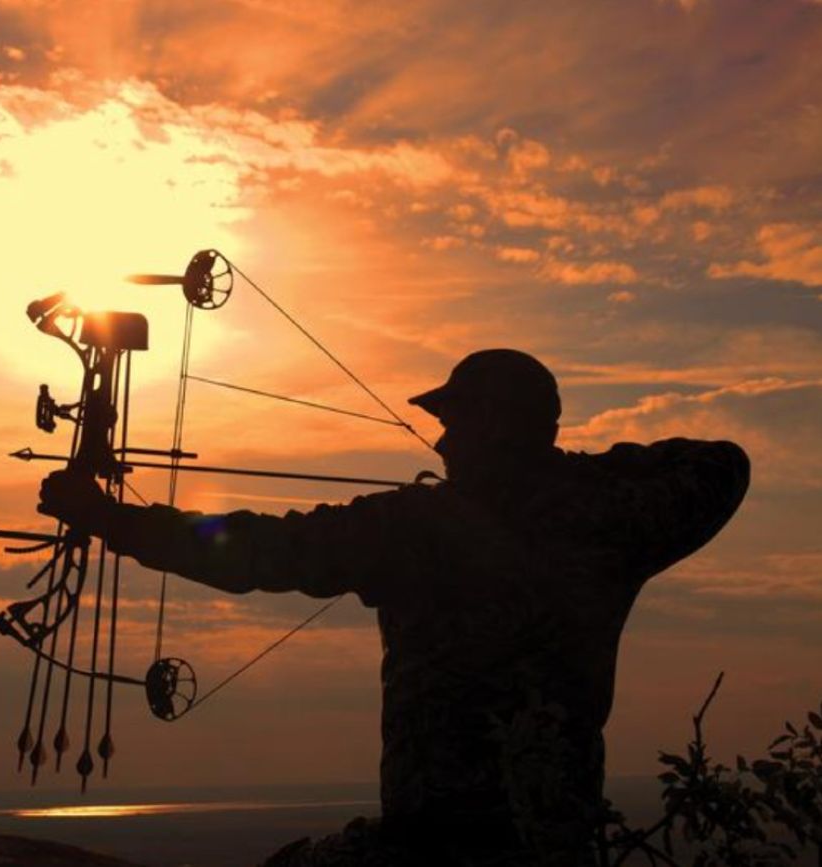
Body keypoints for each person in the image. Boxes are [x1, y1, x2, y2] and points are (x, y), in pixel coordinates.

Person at [38, 349, 751, 866]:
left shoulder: (413, 530)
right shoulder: (608, 518)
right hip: (554, 840)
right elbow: (722, 463)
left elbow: (257, 550)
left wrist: (109, 518)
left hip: (429, 844)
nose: (441, 440)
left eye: (457, 423)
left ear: (496, 428)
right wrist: (567, 475)